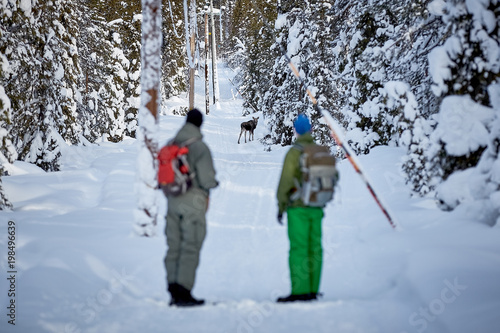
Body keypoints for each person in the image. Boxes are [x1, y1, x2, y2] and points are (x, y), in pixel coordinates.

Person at [164, 108, 218, 307]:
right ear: (200, 124)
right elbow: (207, 179)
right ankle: (184, 291)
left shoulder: (171, 143)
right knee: (191, 245)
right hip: (193, 203)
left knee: (174, 245)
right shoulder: (200, 147)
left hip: (172, 201)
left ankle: (172, 289)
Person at [276, 114, 325, 303]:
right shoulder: (320, 151)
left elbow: (285, 181)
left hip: (297, 208)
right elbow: (333, 177)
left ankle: (300, 291)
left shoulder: (294, 153)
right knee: (315, 248)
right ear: (311, 129)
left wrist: (281, 206)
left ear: (296, 130)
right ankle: (313, 290)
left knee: (299, 248)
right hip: (317, 208)